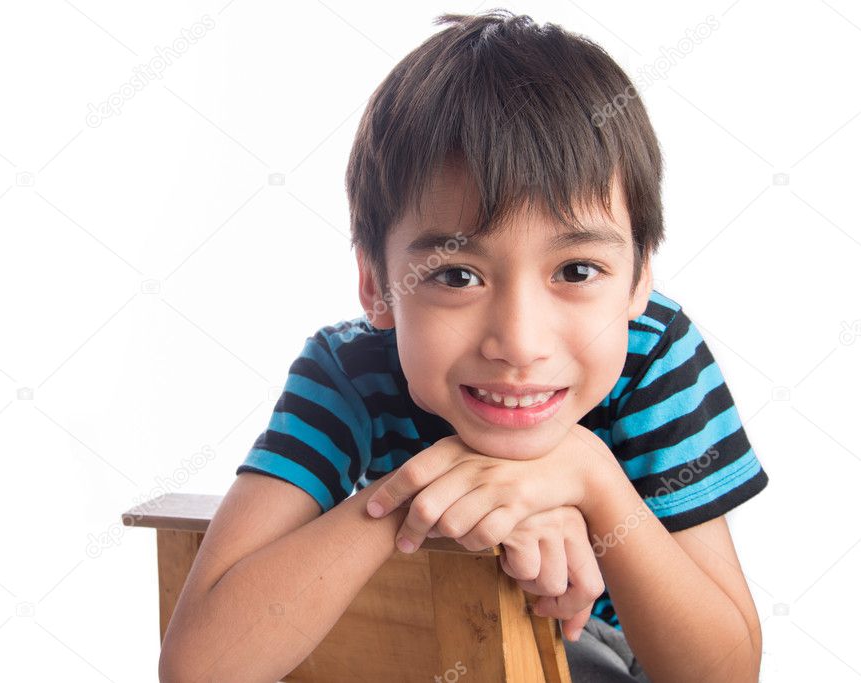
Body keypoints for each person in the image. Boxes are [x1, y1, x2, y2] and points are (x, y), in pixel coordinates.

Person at [159, 10, 768, 683]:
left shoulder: (653, 354)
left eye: (574, 271)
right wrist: (421, 500)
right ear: (376, 285)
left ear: (637, 279)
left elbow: (724, 673)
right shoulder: (347, 372)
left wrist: (589, 477)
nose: (519, 342)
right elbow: (200, 668)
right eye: (456, 275)